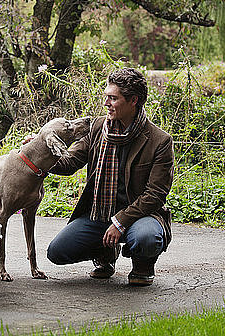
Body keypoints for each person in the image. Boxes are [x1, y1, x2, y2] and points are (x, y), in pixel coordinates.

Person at [46, 67, 174, 286]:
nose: (106, 103)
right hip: (99, 215)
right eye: (106, 97)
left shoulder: (159, 141)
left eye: (113, 98)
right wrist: (38, 154)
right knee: (57, 252)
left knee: (146, 238)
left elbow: (155, 195)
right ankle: (105, 253)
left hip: (140, 216)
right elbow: (69, 163)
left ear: (133, 101)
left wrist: (120, 222)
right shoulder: (97, 128)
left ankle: (143, 264)